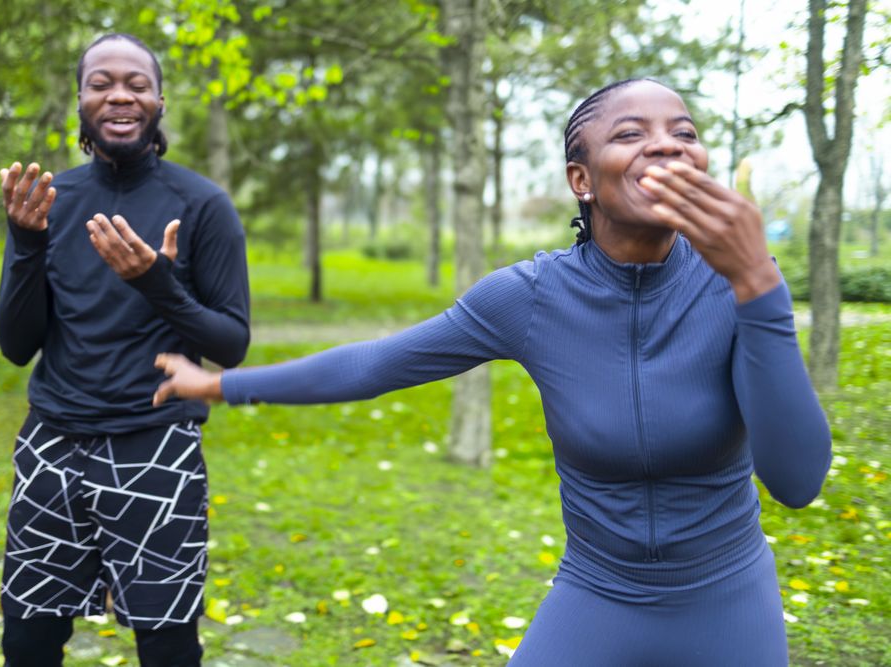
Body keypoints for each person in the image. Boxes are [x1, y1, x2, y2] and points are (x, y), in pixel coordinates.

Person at [151, 78, 832, 666]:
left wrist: (756, 283)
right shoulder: (531, 297)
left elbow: (797, 481)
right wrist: (221, 383)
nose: (667, 144)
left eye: (683, 132)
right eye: (631, 133)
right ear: (582, 180)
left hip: (727, 596)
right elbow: (378, 363)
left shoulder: (734, 285)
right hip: (598, 591)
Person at [0, 33, 250, 667]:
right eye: (101, 82)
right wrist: (26, 245)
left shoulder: (203, 205)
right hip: (53, 442)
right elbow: (15, 345)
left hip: (156, 446)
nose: (119, 95)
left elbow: (232, 344)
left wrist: (157, 284)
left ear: (159, 100)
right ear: (79, 100)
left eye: (136, 83)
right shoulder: (49, 203)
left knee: (165, 643)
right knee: (28, 635)